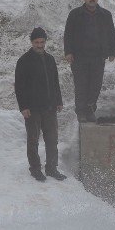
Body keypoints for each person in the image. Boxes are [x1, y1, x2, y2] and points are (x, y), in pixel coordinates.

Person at [15, 27, 67, 182]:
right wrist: (23, 107)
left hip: (50, 107)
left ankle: (52, 168)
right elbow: (19, 86)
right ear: (32, 42)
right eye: (37, 42)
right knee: (33, 139)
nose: (39, 45)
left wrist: (58, 101)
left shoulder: (50, 59)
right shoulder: (24, 61)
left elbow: (55, 81)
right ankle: (35, 169)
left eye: (42, 42)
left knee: (52, 139)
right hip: (32, 108)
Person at [63, 0, 115, 122]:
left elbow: (111, 33)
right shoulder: (75, 14)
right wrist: (68, 52)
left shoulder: (105, 15)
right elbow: (68, 34)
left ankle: (90, 109)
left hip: (98, 57)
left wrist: (112, 51)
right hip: (79, 57)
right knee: (81, 85)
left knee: (95, 85)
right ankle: (80, 112)